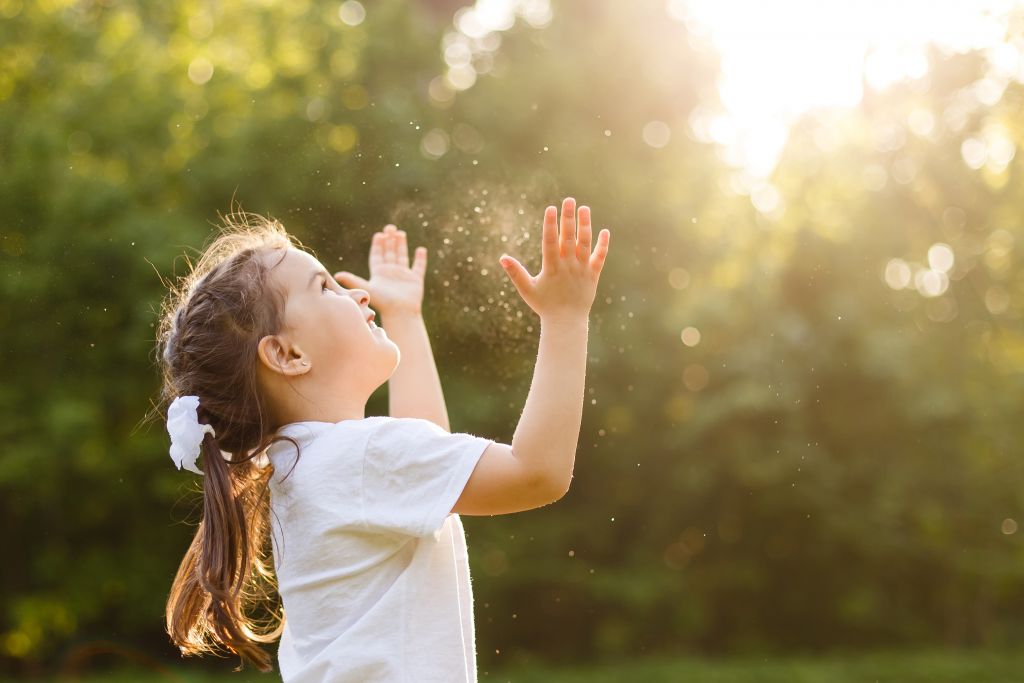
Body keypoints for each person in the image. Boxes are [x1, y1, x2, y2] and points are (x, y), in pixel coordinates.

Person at [156, 197, 610, 681]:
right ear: (288, 353)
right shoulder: (356, 459)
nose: (359, 295)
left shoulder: (303, 466)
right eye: (326, 287)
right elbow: (537, 473)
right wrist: (565, 317)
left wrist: (405, 318)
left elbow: (427, 448)